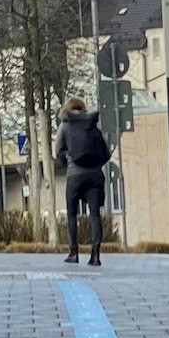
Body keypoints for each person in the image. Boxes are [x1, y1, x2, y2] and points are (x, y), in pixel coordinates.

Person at [53, 96, 112, 265]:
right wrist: (95, 165)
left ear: (68, 109)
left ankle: (73, 253)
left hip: (75, 174)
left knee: (72, 214)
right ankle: (95, 255)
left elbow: (58, 150)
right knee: (95, 215)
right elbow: (106, 152)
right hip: (95, 175)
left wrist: (68, 162)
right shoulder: (93, 125)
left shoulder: (65, 125)